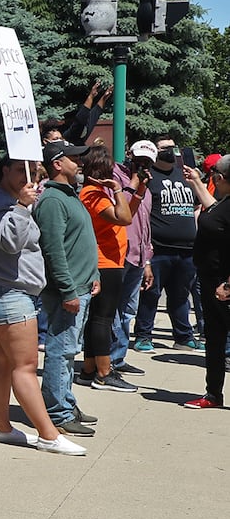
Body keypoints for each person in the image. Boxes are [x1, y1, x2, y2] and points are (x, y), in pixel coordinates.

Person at [0, 156, 86, 456]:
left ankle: (1, 426)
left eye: (32, 171)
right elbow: (10, 241)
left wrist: (22, 204)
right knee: (26, 366)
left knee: (4, 360)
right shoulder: (0, 201)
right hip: (6, 293)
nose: (27, 176)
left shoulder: (7, 198)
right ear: (4, 170)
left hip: (7, 291)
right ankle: (48, 435)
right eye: (20, 170)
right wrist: (21, 206)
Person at [34, 142, 104, 438]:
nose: (80, 162)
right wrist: (68, 291)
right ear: (57, 164)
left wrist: (94, 275)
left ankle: (67, 403)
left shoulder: (69, 195)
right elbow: (53, 251)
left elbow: (82, 240)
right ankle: (57, 413)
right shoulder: (52, 200)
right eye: (74, 158)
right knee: (61, 350)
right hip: (69, 290)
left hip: (82, 285)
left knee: (69, 350)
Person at [134, 136, 209, 352]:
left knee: (180, 295)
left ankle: (183, 337)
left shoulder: (185, 175)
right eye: (164, 148)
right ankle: (144, 335)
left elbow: (197, 207)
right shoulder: (150, 177)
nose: (169, 151)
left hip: (187, 250)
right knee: (151, 294)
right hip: (158, 248)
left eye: (172, 147)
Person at [76, 144, 141, 392]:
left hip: (110, 261)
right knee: (103, 318)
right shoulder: (94, 194)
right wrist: (116, 190)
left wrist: (138, 190)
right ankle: (104, 372)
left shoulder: (96, 193)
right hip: (104, 262)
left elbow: (127, 215)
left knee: (98, 318)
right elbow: (123, 218)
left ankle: (89, 368)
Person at [109, 142, 155, 376]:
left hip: (137, 256)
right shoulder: (115, 177)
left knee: (128, 310)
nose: (142, 165)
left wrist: (147, 260)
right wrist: (133, 184)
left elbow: (145, 224)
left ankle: (119, 357)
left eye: (147, 162)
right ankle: (106, 360)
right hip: (117, 254)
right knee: (113, 310)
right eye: (139, 160)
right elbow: (121, 212)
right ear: (129, 156)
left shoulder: (147, 186)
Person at [187, 157, 230, 408]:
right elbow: (214, 212)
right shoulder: (223, 204)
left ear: (221, 178)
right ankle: (213, 393)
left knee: (218, 335)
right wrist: (195, 182)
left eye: (214, 175)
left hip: (222, 283)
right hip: (210, 279)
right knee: (214, 338)